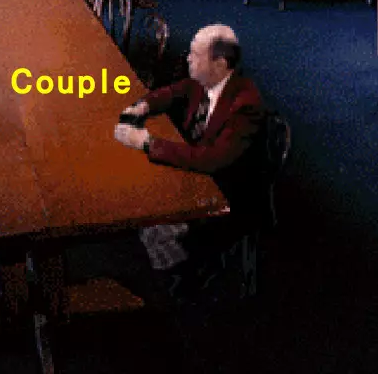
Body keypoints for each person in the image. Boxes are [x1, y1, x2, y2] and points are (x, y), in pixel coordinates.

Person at [113, 24, 266, 295]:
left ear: (220, 64)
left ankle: (179, 280)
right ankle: (169, 266)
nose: (187, 59)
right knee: (139, 193)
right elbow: (173, 92)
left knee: (151, 213)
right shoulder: (204, 81)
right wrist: (143, 106)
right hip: (198, 169)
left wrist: (147, 143)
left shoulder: (245, 105)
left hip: (224, 191)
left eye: (195, 55)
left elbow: (213, 159)